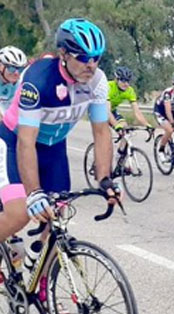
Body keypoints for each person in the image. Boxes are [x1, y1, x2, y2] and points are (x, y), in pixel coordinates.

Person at [0, 18, 119, 249]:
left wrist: (105, 179)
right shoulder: (38, 80)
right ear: (63, 54)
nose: (91, 65)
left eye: (97, 58)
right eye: (83, 58)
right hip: (15, 142)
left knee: (57, 217)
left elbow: (101, 132)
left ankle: (40, 274)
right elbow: (26, 140)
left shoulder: (97, 81)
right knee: (20, 212)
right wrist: (34, 192)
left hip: (54, 148)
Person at [107, 66, 151, 156]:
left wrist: (147, 125)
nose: (126, 84)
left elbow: (136, 111)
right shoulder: (108, 87)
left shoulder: (129, 91)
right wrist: (116, 126)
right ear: (116, 79)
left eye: (128, 81)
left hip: (112, 111)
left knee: (126, 130)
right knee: (105, 136)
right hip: (99, 111)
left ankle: (119, 157)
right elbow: (106, 111)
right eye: (123, 81)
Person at [0, 46, 28, 120]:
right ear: (1, 67)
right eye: (12, 68)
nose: (16, 73)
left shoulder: (20, 83)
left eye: (20, 69)